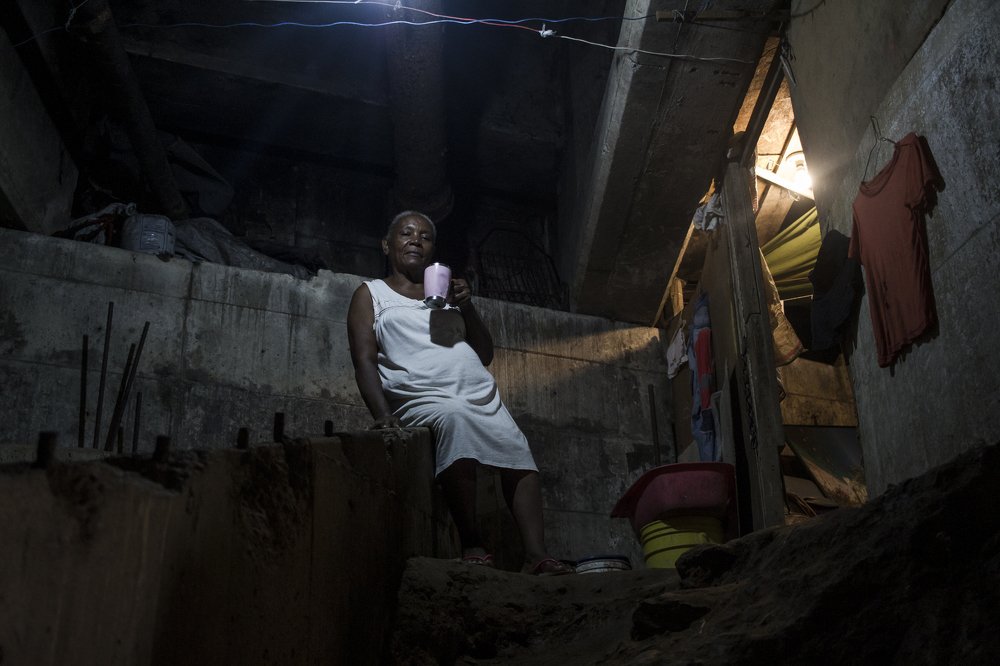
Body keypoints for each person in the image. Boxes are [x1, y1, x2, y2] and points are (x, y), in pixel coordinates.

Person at [346, 210, 572, 576]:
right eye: (405, 234)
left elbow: (484, 354)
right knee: (454, 419)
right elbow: (364, 359)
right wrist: (382, 415)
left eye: (425, 236)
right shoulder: (371, 294)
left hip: (475, 389)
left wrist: (466, 306)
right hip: (423, 397)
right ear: (387, 245)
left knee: (517, 449)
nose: (416, 240)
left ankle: (536, 555)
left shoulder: (446, 294)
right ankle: (472, 544)